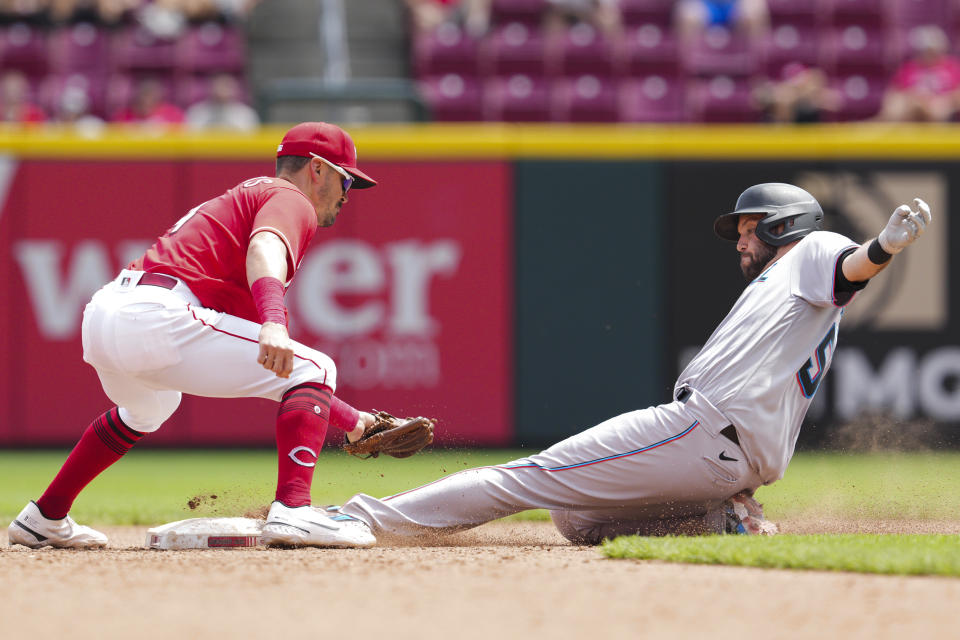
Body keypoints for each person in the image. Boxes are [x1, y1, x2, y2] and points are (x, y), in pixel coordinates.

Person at [327, 183, 932, 545]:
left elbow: (850, 268)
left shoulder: (811, 252)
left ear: (783, 226)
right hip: (731, 459)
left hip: (702, 432)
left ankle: (358, 520)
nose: (741, 242)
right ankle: (720, 522)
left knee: (523, 478)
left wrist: (884, 248)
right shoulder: (785, 291)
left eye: (748, 229)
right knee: (574, 519)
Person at [8, 122, 394, 550]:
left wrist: (354, 423)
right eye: (345, 179)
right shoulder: (291, 197)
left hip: (107, 314)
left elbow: (281, 376)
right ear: (317, 169)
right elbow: (265, 248)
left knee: (150, 407)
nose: (346, 194)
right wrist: (273, 321)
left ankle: (45, 516)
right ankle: (295, 510)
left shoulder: (252, 194)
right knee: (319, 366)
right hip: (155, 316)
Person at [877, 25, 960, 123]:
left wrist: (943, 101)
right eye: (925, 50)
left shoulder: (952, 67)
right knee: (898, 105)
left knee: (939, 110)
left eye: (931, 50)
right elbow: (895, 92)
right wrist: (915, 98)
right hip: (913, 106)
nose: (928, 54)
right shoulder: (909, 68)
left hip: (942, 106)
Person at [185, 73, 259, 131]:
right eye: (218, 85)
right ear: (210, 87)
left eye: (226, 86)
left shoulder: (246, 114)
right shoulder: (196, 112)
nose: (222, 90)